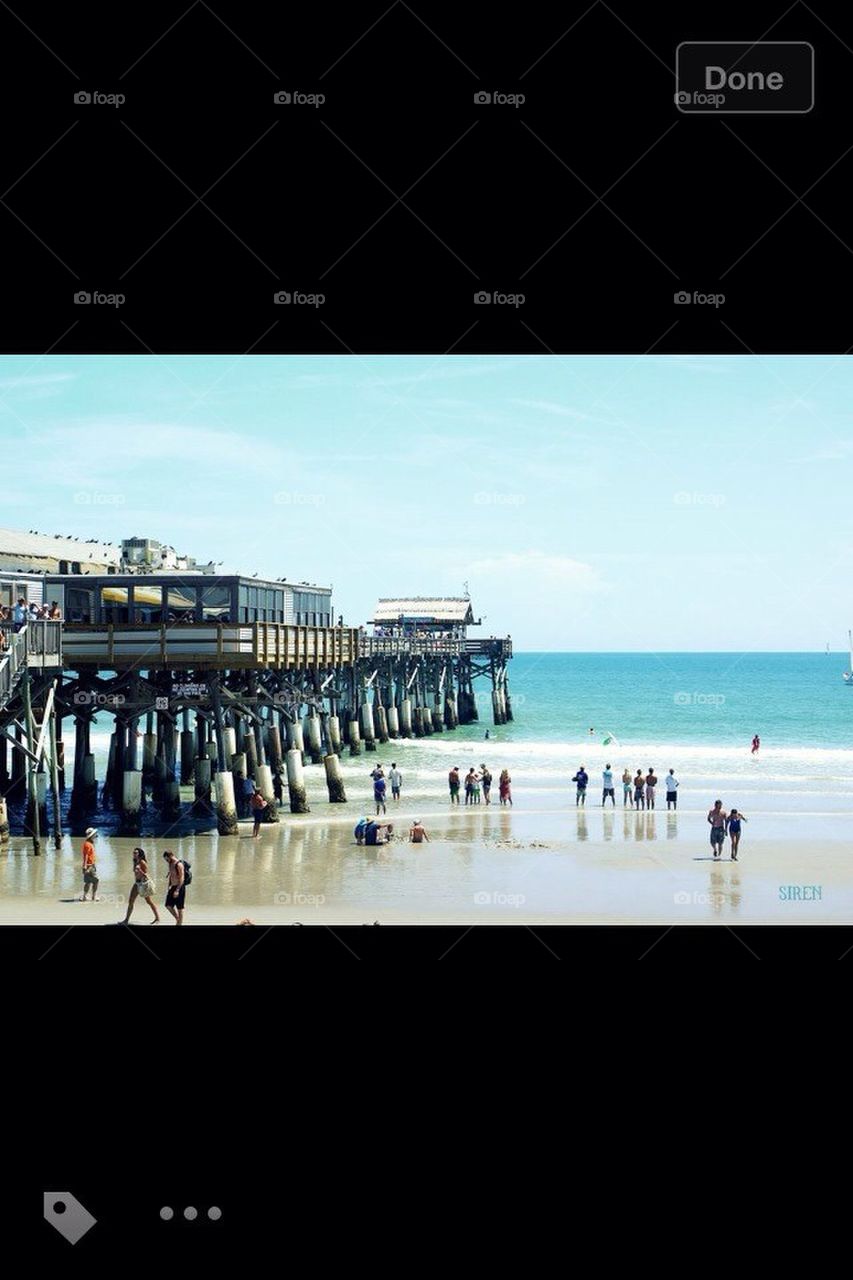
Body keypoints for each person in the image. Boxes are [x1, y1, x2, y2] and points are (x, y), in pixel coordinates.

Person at [123, 847, 159, 924]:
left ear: (139, 854)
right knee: (131, 901)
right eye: (133, 853)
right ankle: (126, 920)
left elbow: (146, 875)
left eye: (135, 853)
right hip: (136, 884)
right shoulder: (135, 861)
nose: (134, 854)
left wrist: (140, 870)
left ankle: (157, 918)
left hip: (143, 884)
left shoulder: (142, 862)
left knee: (149, 901)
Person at [163, 850, 186, 924]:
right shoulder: (170, 863)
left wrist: (177, 890)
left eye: (167, 859)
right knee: (168, 905)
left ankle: (179, 923)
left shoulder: (179, 864)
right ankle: (178, 919)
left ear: (170, 856)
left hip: (179, 887)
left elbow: (182, 878)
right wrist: (169, 886)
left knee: (180, 908)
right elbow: (171, 876)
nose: (166, 861)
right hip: (172, 887)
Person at [80, 827, 99, 901]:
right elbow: (86, 855)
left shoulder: (89, 843)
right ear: (91, 836)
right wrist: (85, 866)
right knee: (96, 880)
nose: (95, 836)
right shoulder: (88, 844)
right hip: (89, 866)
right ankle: (93, 896)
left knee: (88, 882)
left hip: (90, 865)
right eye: (94, 835)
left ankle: (85, 896)